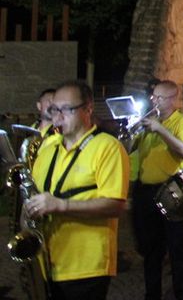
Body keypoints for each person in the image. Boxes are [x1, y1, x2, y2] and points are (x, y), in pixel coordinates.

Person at [26, 80, 129, 299]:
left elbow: (115, 205)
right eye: (54, 110)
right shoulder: (47, 149)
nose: (58, 117)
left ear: (88, 109)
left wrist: (61, 206)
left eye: (67, 110)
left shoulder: (108, 147)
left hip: (86, 266)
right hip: (48, 263)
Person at [132, 80, 183, 300]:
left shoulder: (182, 122)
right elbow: (128, 148)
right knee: (151, 249)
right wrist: (132, 130)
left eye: (159, 97)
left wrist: (161, 130)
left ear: (172, 99)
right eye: (154, 97)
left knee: (177, 247)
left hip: (171, 190)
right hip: (145, 191)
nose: (154, 101)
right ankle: (152, 294)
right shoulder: (150, 122)